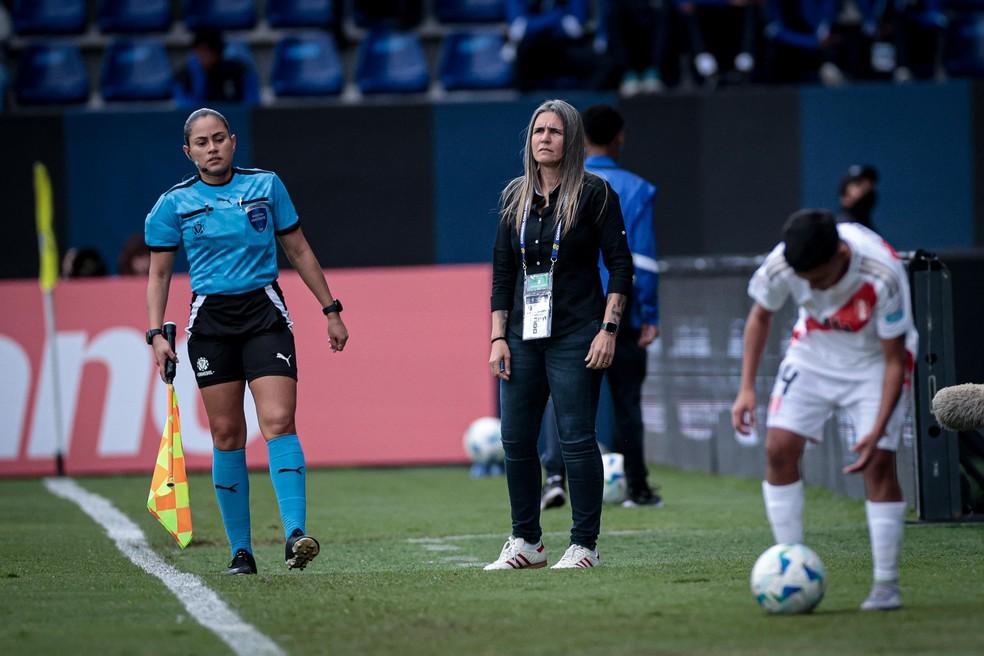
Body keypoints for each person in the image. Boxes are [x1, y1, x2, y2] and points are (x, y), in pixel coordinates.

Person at [144, 108, 349, 575]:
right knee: (227, 434)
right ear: (188, 151)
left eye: (219, 138)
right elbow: (158, 275)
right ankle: (242, 551)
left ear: (233, 142)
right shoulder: (173, 203)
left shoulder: (266, 186)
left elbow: (298, 249)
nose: (212, 148)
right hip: (211, 323)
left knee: (278, 420)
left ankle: (296, 533)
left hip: (264, 314)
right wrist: (156, 334)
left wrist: (330, 309)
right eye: (202, 142)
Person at [731, 209, 917, 611]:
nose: (811, 287)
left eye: (819, 278)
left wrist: (879, 426)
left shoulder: (881, 274)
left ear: (840, 254)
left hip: (874, 361)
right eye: (805, 280)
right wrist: (746, 388)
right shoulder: (786, 262)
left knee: (879, 462)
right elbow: (761, 316)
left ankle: (886, 585)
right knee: (778, 448)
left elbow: (893, 362)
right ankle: (789, 563)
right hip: (813, 352)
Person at [487, 99, 633, 570]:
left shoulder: (596, 193)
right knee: (515, 440)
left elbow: (620, 266)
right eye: (537, 131)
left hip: (577, 332)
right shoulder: (514, 196)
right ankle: (526, 542)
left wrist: (608, 329)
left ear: (571, 140)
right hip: (521, 335)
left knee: (575, 439)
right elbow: (503, 272)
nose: (544, 139)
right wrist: (496, 337)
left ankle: (584, 545)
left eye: (554, 131)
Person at [540, 104, 662, 511]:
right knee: (627, 400)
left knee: (563, 394)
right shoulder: (638, 189)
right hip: (619, 308)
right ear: (620, 138)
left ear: (576, 138)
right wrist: (649, 314)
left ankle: (555, 477)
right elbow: (639, 259)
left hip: (572, 309)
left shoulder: (565, 184)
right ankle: (638, 488)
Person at [174, 28, 259, 107]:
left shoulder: (237, 71)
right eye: (199, 51)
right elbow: (184, 108)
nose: (203, 56)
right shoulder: (185, 75)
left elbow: (250, 105)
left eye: (206, 51)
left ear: (217, 51)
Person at [837, 163, 879, 230]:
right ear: (845, 193)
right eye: (858, 184)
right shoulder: (841, 228)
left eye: (869, 185)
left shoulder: (869, 229)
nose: (865, 189)